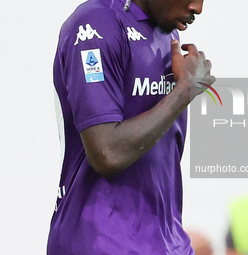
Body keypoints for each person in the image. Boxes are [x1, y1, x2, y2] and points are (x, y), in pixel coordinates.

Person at [47, 0, 215, 254]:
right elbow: (107, 153)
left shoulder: (167, 30)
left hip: (166, 242)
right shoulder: (96, 24)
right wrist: (183, 92)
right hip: (101, 242)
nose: (198, 7)